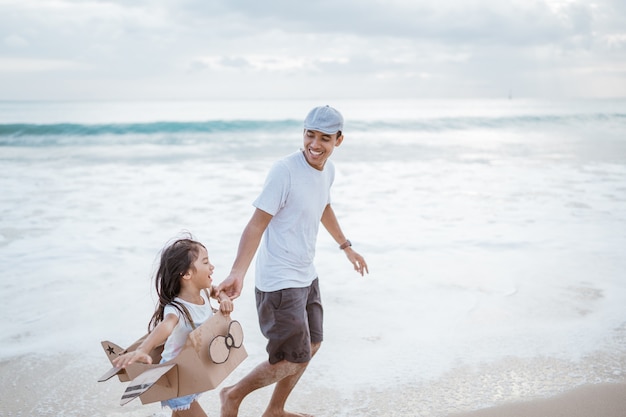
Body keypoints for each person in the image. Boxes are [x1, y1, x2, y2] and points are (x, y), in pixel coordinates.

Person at [217, 105, 368, 417]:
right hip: (279, 282)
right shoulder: (284, 171)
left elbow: (323, 205)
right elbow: (256, 224)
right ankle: (233, 395)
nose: (315, 144)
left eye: (324, 138)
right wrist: (237, 272)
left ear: (338, 140)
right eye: (309, 135)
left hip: (305, 275)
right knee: (292, 358)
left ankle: (275, 409)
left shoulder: (327, 170)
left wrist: (346, 246)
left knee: (311, 346)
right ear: (303, 133)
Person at [113, 237, 234, 417]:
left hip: (193, 373)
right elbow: (165, 327)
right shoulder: (177, 309)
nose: (212, 267)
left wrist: (224, 299)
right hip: (176, 378)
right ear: (186, 274)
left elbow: (217, 291)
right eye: (206, 262)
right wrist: (143, 349)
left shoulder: (204, 292)